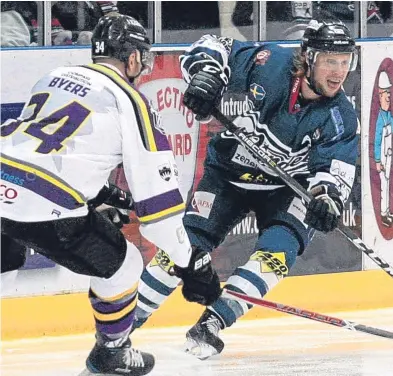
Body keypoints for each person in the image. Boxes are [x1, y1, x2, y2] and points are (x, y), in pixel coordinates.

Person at [0, 13, 220, 375]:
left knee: (5, 269)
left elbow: (39, 150)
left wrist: (101, 193)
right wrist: (191, 262)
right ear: (133, 58)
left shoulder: (54, 76)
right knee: (125, 265)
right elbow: (160, 220)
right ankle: (113, 352)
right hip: (43, 206)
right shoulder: (132, 102)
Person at [133, 19, 359, 359]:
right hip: (229, 175)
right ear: (309, 58)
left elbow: (335, 168)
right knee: (184, 249)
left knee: (277, 254)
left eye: (345, 62)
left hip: (286, 190)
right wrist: (206, 75)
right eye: (330, 60)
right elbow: (214, 45)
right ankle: (122, 326)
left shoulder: (341, 115)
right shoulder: (272, 63)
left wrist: (327, 198)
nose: (338, 72)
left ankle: (212, 322)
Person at [374, 71, 393, 227]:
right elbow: (377, 141)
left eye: (389, 92)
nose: (387, 96)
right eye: (384, 93)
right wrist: (378, 161)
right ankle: (384, 213)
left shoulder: (389, 117)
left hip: (389, 156)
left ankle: (387, 211)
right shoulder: (380, 119)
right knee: (383, 186)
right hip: (383, 159)